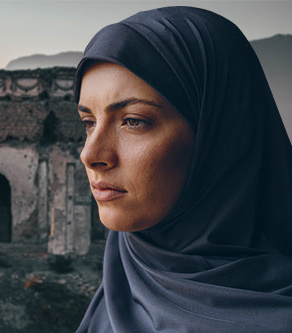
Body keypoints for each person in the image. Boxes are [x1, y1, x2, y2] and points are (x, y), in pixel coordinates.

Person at [73, 7, 292, 332]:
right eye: (89, 122)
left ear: (219, 136)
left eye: (133, 121)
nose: (90, 155)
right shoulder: (125, 278)